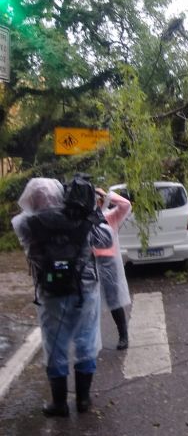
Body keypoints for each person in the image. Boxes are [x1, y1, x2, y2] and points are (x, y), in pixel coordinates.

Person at [12, 177, 105, 416]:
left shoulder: (25, 224)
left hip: (50, 293)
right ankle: (83, 401)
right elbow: (103, 237)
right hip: (85, 289)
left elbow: (26, 231)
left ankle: (59, 403)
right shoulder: (82, 218)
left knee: (55, 346)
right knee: (86, 340)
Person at [94, 188, 133, 349]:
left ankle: (123, 335)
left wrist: (107, 195)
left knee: (114, 302)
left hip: (109, 266)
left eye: (97, 200)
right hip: (89, 267)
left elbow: (125, 205)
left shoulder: (109, 217)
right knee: (90, 306)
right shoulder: (81, 220)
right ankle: (92, 341)